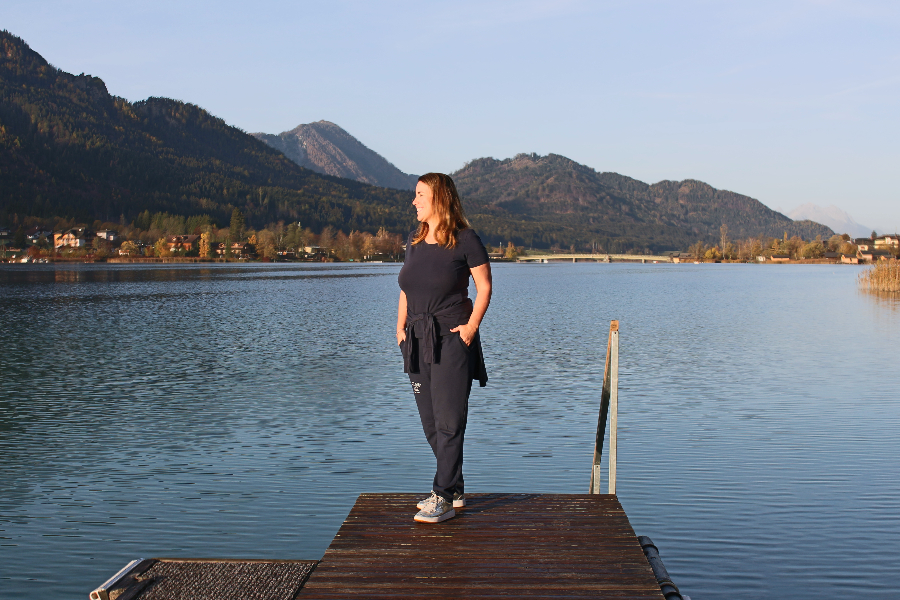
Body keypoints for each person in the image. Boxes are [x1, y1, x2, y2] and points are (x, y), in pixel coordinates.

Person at [396, 172, 492, 524]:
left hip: (452, 337)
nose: (414, 201)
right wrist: (399, 327)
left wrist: (471, 328)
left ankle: (442, 496)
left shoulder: (465, 239)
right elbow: (407, 287)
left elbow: (484, 286)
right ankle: (456, 486)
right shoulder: (415, 239)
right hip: (416, 338)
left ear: (438, 197)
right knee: (431, 423)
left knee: (450, 421)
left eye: (420, 194)